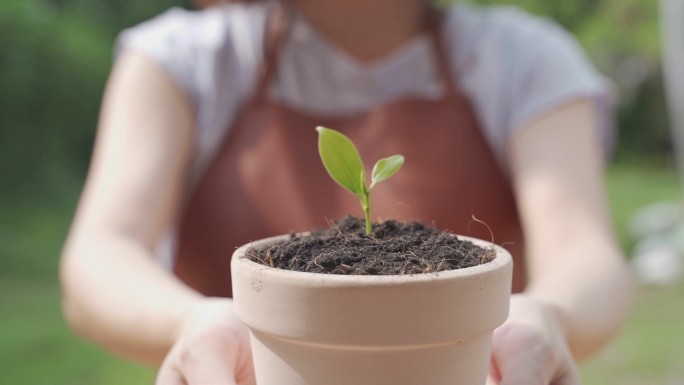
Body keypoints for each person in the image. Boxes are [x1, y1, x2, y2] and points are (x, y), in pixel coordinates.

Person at [59, 0, 633, 384]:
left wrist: (543, 318)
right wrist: (192, 324)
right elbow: (100, 254)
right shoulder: (189, 59)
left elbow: (583, 249)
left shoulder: (520, 58)